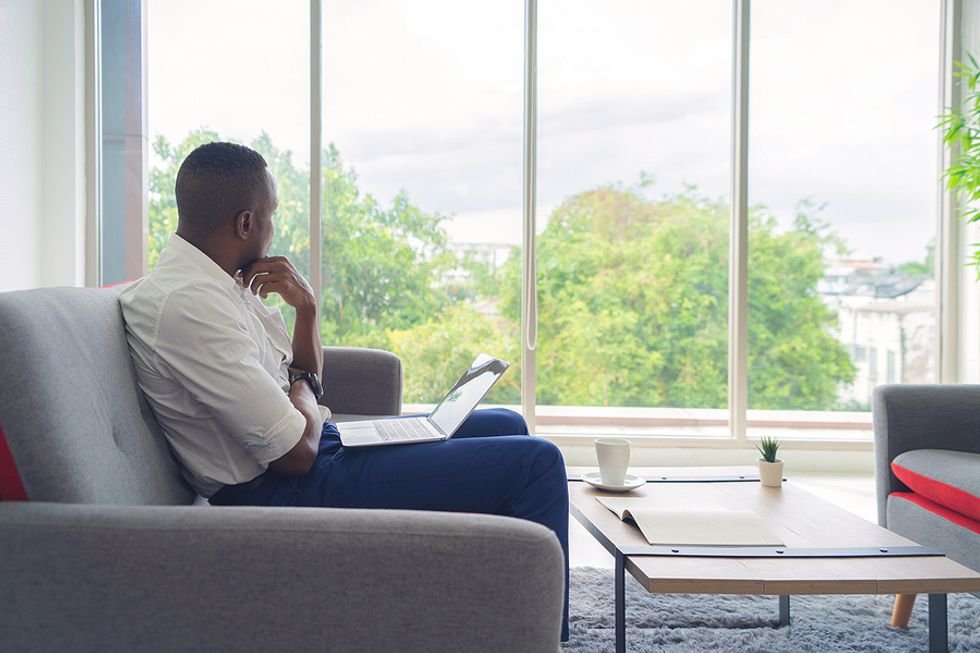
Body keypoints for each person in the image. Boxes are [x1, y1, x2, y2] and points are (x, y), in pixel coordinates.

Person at [119, 141, 569, 641]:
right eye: (271, 214)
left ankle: (496, 604)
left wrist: (306, 311)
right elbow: (296, 450)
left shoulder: (221, 286)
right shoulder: (187, 303)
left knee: (504, 422)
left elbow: (301, 383)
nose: (273, 227)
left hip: (314, 456)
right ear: (246, 223)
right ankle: (540, 637)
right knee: (539, 463)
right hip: (282, 491)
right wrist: (303, 391)